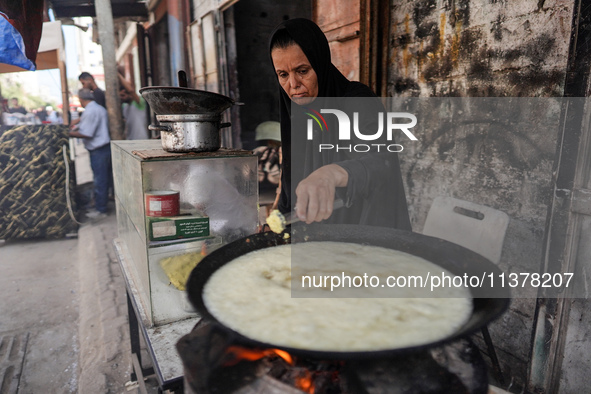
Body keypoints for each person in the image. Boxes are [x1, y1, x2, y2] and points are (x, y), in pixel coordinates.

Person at [269, 18, 411, 230]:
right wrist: (278, 213)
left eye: (302, 71)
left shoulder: (357, 102)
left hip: (359, 239)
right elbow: (290, 174)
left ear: (320, 63)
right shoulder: (298, 109)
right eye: (283, 74)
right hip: (313, 239)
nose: (293, 84)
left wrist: (330, 174)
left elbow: (382, 163)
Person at [69, 88, 112, 218]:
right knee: (102, 179)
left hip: (99, 150)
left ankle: (101, 210)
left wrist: (68, 133)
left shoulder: (91, 111)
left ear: (81, 99)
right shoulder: (97, 108)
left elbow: (87, 133)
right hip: (102, 148)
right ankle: (100, 206)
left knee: (100, 180)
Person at [118, 73, 149, 140]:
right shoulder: (124, 106)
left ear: (130, 95)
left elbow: (130, 90)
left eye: (123, 95)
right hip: (130, 139)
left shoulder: (139, 102)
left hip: (141, 138)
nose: (121, 98)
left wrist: (118, 74)